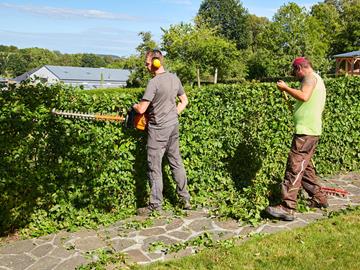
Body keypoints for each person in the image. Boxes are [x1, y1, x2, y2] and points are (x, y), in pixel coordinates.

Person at [266, 57, 328, 221]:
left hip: (306, 132)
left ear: (300, 68)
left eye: (294, 72)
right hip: (311, 130)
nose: (294, 76)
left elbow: (304, 96)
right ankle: (319, 199)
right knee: (304, 168)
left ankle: (287, 208)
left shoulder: (309, 78)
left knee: (294, 167)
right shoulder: (318, 78)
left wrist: (286, 88)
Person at [133, 49, 191, 215]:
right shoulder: (174, 78)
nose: (146, 66)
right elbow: (184, 101)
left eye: (147, 63)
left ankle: (155, 205)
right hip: (173, 126)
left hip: (158, 130)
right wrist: (172, 114)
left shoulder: (154, 82)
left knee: (154, 167)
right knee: (176, 161)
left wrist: (135, 107)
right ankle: (184, 199)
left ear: (155, 62)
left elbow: (142, 108)